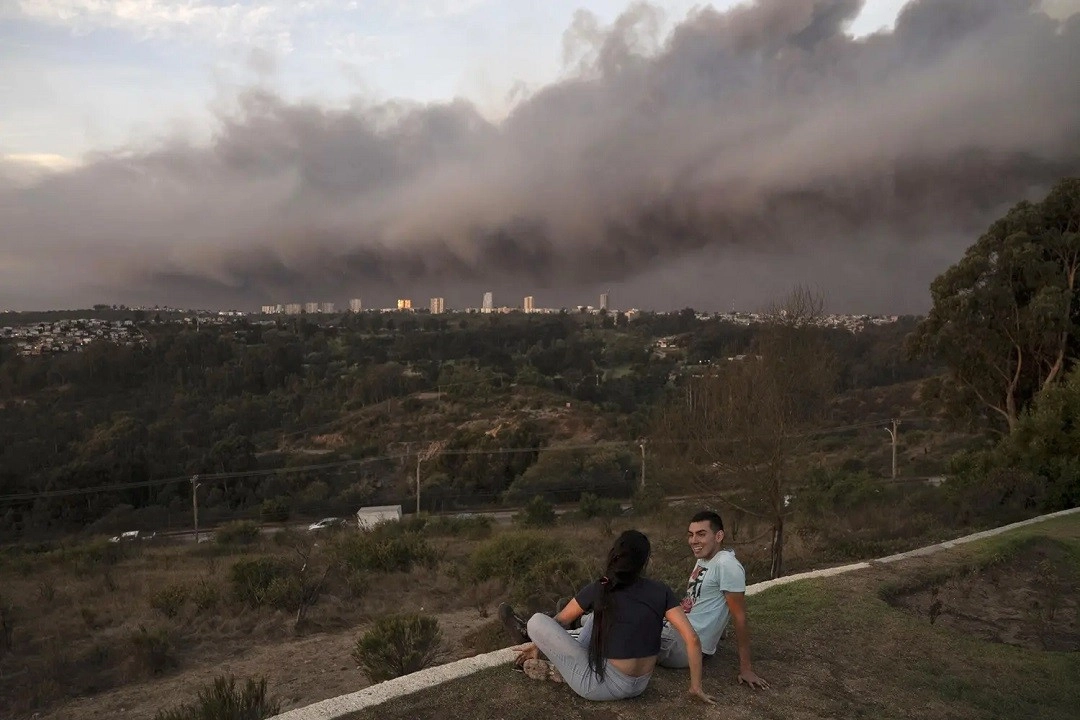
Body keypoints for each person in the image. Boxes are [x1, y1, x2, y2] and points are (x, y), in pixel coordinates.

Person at [500, 529, 714, 703]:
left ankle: (526, 632)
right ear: (644, 561)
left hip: (598, 686)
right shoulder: (661, 590)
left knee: (538, 621)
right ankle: (567, 638)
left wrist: (539, 642)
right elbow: (692, 639)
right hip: (640, 685)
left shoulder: (601, 587)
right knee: (597, 617)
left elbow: (560, 621)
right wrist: (695, 687)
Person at [659, 510, 769, 689]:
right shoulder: (704, 558)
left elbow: (740, 618)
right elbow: (704, 598)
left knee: (630, 630)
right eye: (691, 535)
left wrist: (746, 668)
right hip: (677, 631)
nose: (694, 540)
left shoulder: (727, 565)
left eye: (701, 534)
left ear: (719, 536)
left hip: (683, 646)